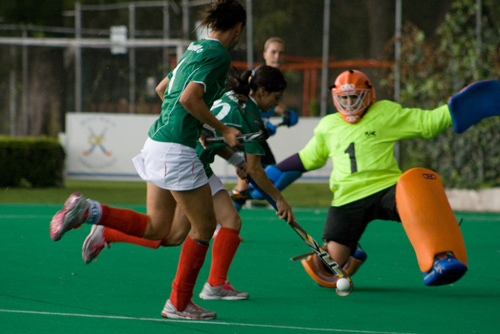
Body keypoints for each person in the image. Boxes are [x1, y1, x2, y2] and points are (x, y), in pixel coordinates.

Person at [49, 0, 247, 320]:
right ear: (238, 28)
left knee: (162, 231)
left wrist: (192, 123)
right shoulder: (220, 56)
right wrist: (222, 129)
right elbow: (187, 97)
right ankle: (179, 304)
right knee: (205, 225)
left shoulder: (195, 48)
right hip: (177, 151)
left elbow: (162, 89)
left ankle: (90, 210)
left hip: (157, 141)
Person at [80, 65, 295, 302]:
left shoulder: (232, 97)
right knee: (172, 235)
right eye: (276, 98)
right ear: (262, 91)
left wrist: (234, 158)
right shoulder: (253, 119)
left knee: (229, 221)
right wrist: (280, 200)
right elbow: (256, 170)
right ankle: (108, 231)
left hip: (192, 161)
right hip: (187, 165)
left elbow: (211, 137)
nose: (275, 105)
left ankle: (215, 285)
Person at [254, 69, 479, 289]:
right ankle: (350, 249)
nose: (350, 103)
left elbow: (426, 123)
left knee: (416, 191)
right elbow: (307, 159)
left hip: (387, 189)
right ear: (336, 98)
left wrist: (454, 110)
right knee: (329, 268)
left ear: (368, 95)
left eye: (355, 96)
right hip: (347, 199)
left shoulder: (385, 113)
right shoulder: (328, 126)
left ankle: (440, 258)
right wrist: (272, 174)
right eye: (344, 97)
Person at [230, 37, 298, 209]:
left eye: (281, 53)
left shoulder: (274, 79)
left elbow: (270, 100)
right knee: (250, 180)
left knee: (262, 175)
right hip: (243, 132)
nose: (277, 56)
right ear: (265, 54)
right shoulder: (259, 77)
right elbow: (247, 102)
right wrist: (262, 124)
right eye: (273, 52)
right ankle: (223, 223)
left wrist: (284, 112)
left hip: (254, 134)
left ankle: (226, 221)